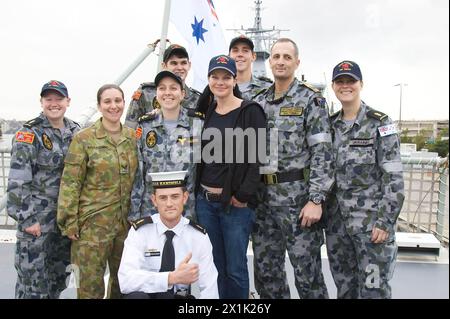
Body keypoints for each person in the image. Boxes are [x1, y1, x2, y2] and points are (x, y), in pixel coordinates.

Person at [252, 38, 334, 299]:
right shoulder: (258, 102)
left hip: (298, 202)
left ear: (297, 62)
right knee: (267, 274)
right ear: (270, 61)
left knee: (307, 275)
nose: (280, 62)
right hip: (263, 202)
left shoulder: (311, 100)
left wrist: (316, 199)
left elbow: (322, 153)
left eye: (287, 57)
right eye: (276, 56)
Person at [325, 61, 404, 299]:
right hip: (337, 227)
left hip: (371, 226)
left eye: (351, 81)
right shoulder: (329, 126)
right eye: (341, 81)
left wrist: (385, 221)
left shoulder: (381, 123)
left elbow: (393, 178)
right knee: (345, 289)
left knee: (373, 290)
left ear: (361, 84)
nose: (346, 86)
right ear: (333, 86)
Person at [195, 55, 267, 299]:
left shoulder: (250, 111)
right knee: (215, 267)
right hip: (206, 203)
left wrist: (243, 195)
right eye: (215, 76)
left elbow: (258, 157)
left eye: (226, 77)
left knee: (235, 269)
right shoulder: (206, 111)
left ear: (235, 80)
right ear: (208, 79)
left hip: (234, 205)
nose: (220, 82)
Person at [57, 84, 138, 299]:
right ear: (99, 106)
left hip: (125, 226)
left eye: (118, 101)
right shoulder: (84, 139)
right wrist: (69, 221)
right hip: (91, 227)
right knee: (89, 288)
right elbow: (70, 182)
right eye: (108, 102)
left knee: (123, 285)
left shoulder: (132, 138)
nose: (114, 106)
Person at [7, 80, 80, 299]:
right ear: (42, 102)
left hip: (62, 225)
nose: (54, 103)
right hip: (37, 225)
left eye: (59, 99)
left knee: (57, 281)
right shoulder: (29, 133)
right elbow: (17, 184)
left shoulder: (75, 131)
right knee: (33, 286)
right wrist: (29, 221)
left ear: (68, 102)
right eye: (49, 99)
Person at [119, 170, 219, 299]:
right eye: (163, 198)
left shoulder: (198, 236)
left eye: (175, 196)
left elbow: (210, 289)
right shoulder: (140, 232)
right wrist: (171, 278)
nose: (169, 204)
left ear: (185, 197)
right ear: (154, 201)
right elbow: (125, 281)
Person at [129, 71, 197, 222]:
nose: (167, 93)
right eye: (162, 88)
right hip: (150, 210)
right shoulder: (145, 125)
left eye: (173, 88)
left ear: (182, 93)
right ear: (156, 93)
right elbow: (139, 172)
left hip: (186, 211)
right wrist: (134, 212)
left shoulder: (198, 124)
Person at [125, 44, 201, 129]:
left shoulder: (197, 99)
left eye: (183, 63)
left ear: (189, 65)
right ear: (164, 66)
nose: (179, 67)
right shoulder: (146, 93)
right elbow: (129, 129)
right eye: (174, 63)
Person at [228, 35, 272, 100]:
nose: (240, 54)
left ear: (253, 56)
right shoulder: (220, 88)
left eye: (245, 51)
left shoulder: (268, 89)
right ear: (229, 56)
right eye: (235, 50)